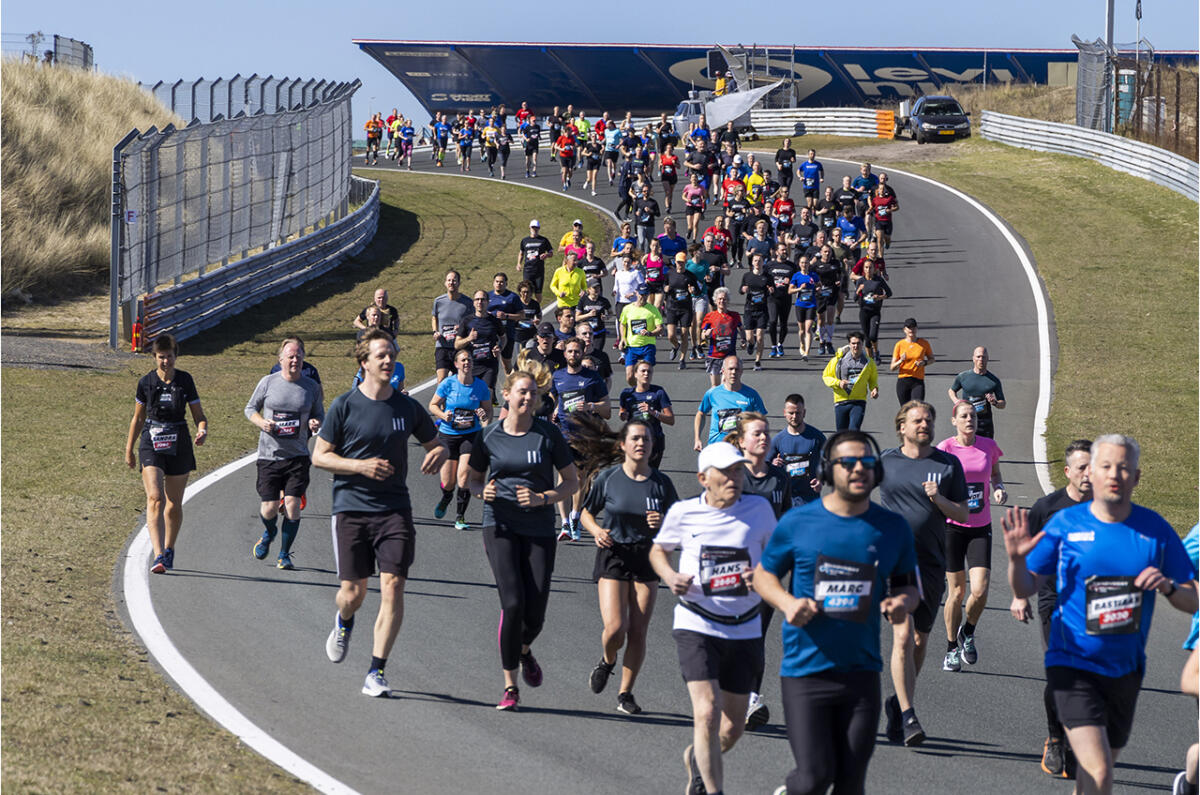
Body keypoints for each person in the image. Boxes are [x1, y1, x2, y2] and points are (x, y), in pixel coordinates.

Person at [1003, 435, 1197, 795]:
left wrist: (1169, 587)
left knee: (1092, 777)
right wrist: (1016, 562)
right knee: (1100, 770)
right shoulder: (1065, 525)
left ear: (1136, 477)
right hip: (1073, 664)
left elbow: (1194, 598)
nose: (1114, 474)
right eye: (1106, 466)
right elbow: (1025, 587)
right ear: (1090, 471)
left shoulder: (1154, 530)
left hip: (1126, 670)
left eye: (1123, 467)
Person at [755, 430, 920, 795]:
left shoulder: (892, 528)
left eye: (867, 462)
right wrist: (787, 603)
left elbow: (909, 586)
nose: (859, 469)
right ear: (829, 471)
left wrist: (901, 603)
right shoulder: (798, 524)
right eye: (848, 462)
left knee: (850, 784)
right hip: (806, 672)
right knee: (814, 778)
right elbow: (763, 576)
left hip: (861, 675)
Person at [313, 330, 447, 697]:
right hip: (351, 509)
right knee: (353, 594)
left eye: (391, 354)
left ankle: (376, 672)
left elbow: (434, 443)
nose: (388, 361)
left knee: (393, 586)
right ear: (364, 363)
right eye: (381, 356)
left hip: (394, 510)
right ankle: (344, 620)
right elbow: (319, 456)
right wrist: (360, 467)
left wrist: (439, 453)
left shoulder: (407, 407)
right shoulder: (344, 406)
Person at [650, 441, 776, 795]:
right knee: (705, 713)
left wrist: (762, 574)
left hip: (745, 625)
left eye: (738, 470)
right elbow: (659, 550)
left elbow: (778, 555)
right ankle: (713, 789)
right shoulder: (684, 512)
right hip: (696, 622)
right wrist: (670, 576)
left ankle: (698, 758)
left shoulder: (760, 510)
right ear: (703, 478)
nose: (734, 478)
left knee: (732, 728)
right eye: (726, 472)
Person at [466, 370, 581, 710]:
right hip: (499, 524)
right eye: (522, 392)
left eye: (532, 393)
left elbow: (571, 482)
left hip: (540, 527)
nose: (528, 398)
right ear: (506, 394)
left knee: (536, 613)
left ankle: (525, 649)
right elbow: (471, 480)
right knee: (512, 603)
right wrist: (480, 491)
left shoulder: (548, 435)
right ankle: (510, 686)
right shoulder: (488, 437)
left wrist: (545, 498)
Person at [877, 400, 968, 746]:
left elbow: (962, 511)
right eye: (917, 420)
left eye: (928, 420)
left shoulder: (948, 465)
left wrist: (939, 500)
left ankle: (897, 703)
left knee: (919, 640)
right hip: (895, 563)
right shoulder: (886, 461)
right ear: (902, 426)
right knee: (903, 633)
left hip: (931, 563)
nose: (924, 425)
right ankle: (909, 714)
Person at [575, 417, 680, 715]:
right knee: (616, 628)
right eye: (635, 438)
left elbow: (680, 521)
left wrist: (663, 522)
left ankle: (625, 693)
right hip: (614, 553)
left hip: (648, 556)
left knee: (638, 631)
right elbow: (585, 513)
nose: (641, 444)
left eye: (646, 439)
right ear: (623, 445)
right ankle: (607, 661)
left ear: (652, 446)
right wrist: (596, 531)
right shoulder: (609, 478)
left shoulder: (661, 483)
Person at [1009, 438, 1093, 779]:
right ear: (1067, 471)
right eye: (1082, 467)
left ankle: (1076, 739)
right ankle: (1056, 738)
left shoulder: (1107, 508)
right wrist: (1019, 595)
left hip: (1096, 604)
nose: (1088, 473)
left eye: (1093, 466)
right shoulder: (1047, 508)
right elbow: (1027, 555)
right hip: (1054, 600)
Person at [725, 412, 792, 730]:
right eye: (756, 434)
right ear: (740, 441)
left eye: (766, 433)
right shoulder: (729, 475)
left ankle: (751, 697)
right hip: (731, 570)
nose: (764, 438)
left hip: (767, 572)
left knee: (754, 638)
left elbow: (788, 522)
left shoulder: (781, 479)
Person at [125, 333, 208, 574]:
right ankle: (158, 554)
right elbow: (138, 418)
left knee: (173, 504)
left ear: (175, 357)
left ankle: (170, 548)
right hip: (151, 441)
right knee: (155, 498)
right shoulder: (146, 383)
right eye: (161, 357)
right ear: (154, 358)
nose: (165, 362)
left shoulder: (185, 381)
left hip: (178, 442)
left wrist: (202, 430)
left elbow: (199, 416)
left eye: (169, 357)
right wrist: (129, 449)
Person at [937, 400, 1007, 672]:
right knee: (956, 592)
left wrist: (998, 487)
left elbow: (997, 473)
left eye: (974, 416)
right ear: (954, 420)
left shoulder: (988, 446)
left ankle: (968, 630)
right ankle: (951, 647)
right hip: (952, 526)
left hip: (981, 526)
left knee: (979, 589)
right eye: (964, 416)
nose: (970, 420)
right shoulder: (944, 449)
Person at [245, 337, 324, 570]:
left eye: (299, 356)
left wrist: (315, 422)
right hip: (269, 456)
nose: (295, 360)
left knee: (292, 505)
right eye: (290, 356)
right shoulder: (268, 382)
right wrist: (261, 422)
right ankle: (269, 533)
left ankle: (284, 554)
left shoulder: (311, 387)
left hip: (297, 456)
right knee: (268, 508)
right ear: (280, 360)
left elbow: (321, 414)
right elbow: (250, 408)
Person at [552, 337, 611, 541]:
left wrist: (590, 407)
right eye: (570, 351)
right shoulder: (557, 376)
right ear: (564, 353)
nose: (573, 355)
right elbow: (556, 397)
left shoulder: (593, 378)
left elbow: (607, 409)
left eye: (577, 351)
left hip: (585, 435)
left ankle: (576, 516)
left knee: (578, 477)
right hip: (563, 434)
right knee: (562, 476)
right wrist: (555, 409)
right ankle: (565, 523)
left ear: (582, 353)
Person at [429, 348, 494, 530]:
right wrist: (443, 415)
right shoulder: (448, 384)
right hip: (448, 435)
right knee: (448, 481)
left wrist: (483, 417)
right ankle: (446, 497)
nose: (467, 363)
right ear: (456, 364)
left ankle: (460, 516)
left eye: (469, 360)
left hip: (470, 435)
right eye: (463, 360)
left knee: (464, 478)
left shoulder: (480, 386)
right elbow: (433, 405)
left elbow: (488, 411)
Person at [694, 355, 766, 450]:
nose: (733, 372)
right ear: (723, 371)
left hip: (741, 449)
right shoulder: (713, 393)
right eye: (730, 369)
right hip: (716, 447)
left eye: (737, 369)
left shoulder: (752, 395)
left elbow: (761, 421)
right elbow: (701, 413)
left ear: (741, 371)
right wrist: (697, 439)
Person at [769, 393, 827, 509]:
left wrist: (821, 480)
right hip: (785, 502)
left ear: (804, 413)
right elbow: (763, 468)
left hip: (810, 500)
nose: (794, 417)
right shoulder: (777, 440)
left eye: (798, 413)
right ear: (784, 413)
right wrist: (773, 465)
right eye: (791, 413)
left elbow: (829, 463)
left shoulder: (817, 437)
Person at [618, 361, 674, 469]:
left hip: (654, 440)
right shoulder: (626, 394)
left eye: (649, 372)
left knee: (650, 474)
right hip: (633, 440)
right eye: (643, 371)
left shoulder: (658, 392)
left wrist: (653, 412)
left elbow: (671, 420)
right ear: (635, 374)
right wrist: (623, 415)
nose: (646, 374)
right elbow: (622, 413)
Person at [821, 331, 879, 431]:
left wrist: (874, 389)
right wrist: (838, 383)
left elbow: (873, 380)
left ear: (862, 344)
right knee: (841, 434)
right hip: (841, 401)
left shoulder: (869, 363)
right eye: (853, 343)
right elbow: (826, 377)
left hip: (858, 401)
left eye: (858, 343)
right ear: (849, 344)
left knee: (854, 430)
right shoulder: (838, 360)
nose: (856, 346)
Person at [948, 347, 1006, 439]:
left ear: (987, 359)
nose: (981, 360)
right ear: (973, 358)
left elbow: (1002, 404)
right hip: (967, 421)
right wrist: (957, 401)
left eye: (983, 357)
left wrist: (994, 402)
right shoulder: (963, 376)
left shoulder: (994, 380)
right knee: (967, 449)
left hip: (985, 423)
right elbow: (951, 391)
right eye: (978, 357)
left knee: (986, 450)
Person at [456, 290, 506, 393]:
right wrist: (469, 338)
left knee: (487, 393)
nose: (480, 302)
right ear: (473, 303)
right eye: (477, 299)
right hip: (471, 365)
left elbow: (504, 338)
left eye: (483, 300)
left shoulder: (495, 321)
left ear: (488, 302)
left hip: (489, 365)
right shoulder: (466, 321)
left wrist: (500, 347)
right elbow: (457, 345)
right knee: (473, 396)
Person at [432, 270, 473, 384]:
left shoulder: (468, 302)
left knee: (460, 381)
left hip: (460, 347)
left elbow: (473, 321)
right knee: (441, 381)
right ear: (445, 283)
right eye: (449, 280)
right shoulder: (438, 301)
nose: (451, 282)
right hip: (442, 345)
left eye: (454, 280)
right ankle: (440, 402)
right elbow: (434, 317)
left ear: (459, 283)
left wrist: (462, 328)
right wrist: (435, 331)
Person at [618, 283, 663, 386]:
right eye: (641, 294)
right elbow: (623, 324)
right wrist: (622, 338)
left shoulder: (653, 310)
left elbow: (660, 329)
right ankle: (636, 391)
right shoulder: (627, 309)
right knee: (629, 376)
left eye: (645, 294)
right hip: (631, 346)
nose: (643, 297)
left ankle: (643, 392)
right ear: (636, 293)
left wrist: (650, 333)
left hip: (647, 346)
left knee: (644, 375)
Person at [698, 288, 743, 388]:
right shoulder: (710, 316)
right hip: (714, 355)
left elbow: (741, 328)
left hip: (729, 356)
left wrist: (743, 340)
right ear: (715, 300)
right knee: (715, 386)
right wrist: (706, 334)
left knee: (725, 385)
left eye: (724, 299)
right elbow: (702, 335)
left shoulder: (734, 316)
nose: (722, 301)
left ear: (728, 301)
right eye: (720, 299)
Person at [664, 253, 699, 369]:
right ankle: (675, 345)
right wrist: (666, 289)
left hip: (685, 309)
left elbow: (697, 291)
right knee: (670, 335)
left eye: (682, 262)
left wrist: (692, 290)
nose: (680, 264)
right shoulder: (670, 274)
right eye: (678, 262)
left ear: (685, 262)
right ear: (675, 261)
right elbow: (664, 286)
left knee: (684, 334)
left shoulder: (690, 276)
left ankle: (682, 359)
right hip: (672, 307)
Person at [854, 258, 893, 360]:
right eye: (866, 267)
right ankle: (870, 360)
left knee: (873, 336)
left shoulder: (879, 280)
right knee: (866, 339)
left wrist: (880, 297)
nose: (868, 270)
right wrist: (858, 290)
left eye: (870, 267)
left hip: (875, 312)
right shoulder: (860, 281)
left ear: (874, 269)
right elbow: (854, 298)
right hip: (864, 311)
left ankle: (876, 352)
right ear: (863, 269)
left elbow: (889, 293)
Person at [739, 252, 773, 370]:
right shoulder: (747, 276)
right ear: (752, 263)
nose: (757, 263)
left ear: (763, 262)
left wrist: (771, 290)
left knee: (760, 337)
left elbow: (771, 291)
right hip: (749, 309)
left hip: (762, 311)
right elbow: (741, 290)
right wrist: (743, 289)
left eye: (759, 260)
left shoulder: (768, 277)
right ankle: (751, 344)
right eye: (755, 261)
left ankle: (758, 361)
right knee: (750, 338)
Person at [890, 318, 935, 404]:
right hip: (903, 380)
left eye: (913, 327)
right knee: (905, 410)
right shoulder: (899, 345)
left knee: (917, 407)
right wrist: (900, 361)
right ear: (904, 330)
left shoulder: (923, 343)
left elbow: (932, 359)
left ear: (917, 329)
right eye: (909, 328)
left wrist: (924, 363)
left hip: (918, 381)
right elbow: (892, 368)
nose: (911, 330)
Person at [787, 256, 818, 361]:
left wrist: (818, 288)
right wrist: (800, 288)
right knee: (801, 330)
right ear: (799, 264)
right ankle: (801, 343)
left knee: (808, 329)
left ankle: (806, 352)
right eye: (802, 263)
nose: (804, 265)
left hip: (811, 305)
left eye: (806, 263)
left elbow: (820, 285)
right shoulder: (796, 276)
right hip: (800, 305)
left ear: (809, 264)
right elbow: (790, 291)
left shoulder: (813, 275)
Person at [518, 220, 554, 304]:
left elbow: (551, 253)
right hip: (528, 270)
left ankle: (537, 308)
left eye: (536, 227)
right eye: (533, 227)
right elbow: (521, 253)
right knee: (525, 290)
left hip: (539, 270)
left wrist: (546, 255)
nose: (535, 229)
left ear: (539, 228)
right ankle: (525, 307)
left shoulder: (543, 240)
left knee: (538, 292)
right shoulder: (525, 240)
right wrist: (519, 263)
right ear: (529, 228)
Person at [633, 183, 661, 252]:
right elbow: (635, 211)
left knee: (649, 244)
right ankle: (641, 256)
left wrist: (651, 211)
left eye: (647, 191)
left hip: (650, 225)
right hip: (641, 225)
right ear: (642, 192)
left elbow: (658, 214)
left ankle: (647, 257)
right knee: (641, 241)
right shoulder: (638, 201)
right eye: (644, 191)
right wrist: (637, 214)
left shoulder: (653, 202)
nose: (646, 192)